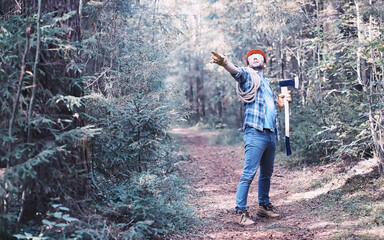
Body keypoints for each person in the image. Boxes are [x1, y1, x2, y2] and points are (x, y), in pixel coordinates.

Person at [210, 49, 291, 226]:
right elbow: (237, 73)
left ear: (265, 62)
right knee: (249, 173)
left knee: (267, 173)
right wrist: (225, 63)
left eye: (259, 56)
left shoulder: (267, 83)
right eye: (251, 57)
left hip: (270, 133)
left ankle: (263, 206)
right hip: (255, 132)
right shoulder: (248, 76)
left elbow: (268, 107)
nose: (255, 57)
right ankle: (240, 211)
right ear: (248, 63)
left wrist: (279, 104)